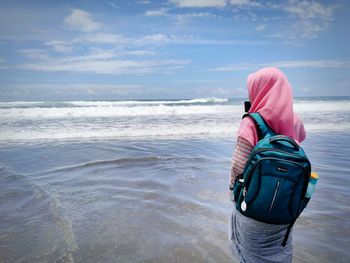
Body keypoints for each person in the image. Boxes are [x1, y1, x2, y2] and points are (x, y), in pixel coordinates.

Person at [228, 67, 306, 263]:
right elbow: (302, 137)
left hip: (253, 204)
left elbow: (238, 164)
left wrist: (232, 191)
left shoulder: (251, 122)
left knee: (249, 254)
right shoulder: (294, 121)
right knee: (278, 253)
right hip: (285, 207)